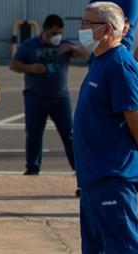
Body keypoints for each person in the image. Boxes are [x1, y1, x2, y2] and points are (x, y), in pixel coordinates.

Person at [55, 1, 138, 254]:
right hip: (94, 174)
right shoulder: (99, 60)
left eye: (88, 22)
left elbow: (136, 116)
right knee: (93, 246)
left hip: (114, 173)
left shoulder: (120, 64)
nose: (83, 28)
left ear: (107, 30)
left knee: (121, 247)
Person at [10, 15, 87, 174]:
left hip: (60, 97)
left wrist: (74, 49)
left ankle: (78, 168)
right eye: (53, 33)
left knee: (69, 134)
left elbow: (85, 54)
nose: (56, 36)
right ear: (44, 31)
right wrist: (32, 68)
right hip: (35, 96)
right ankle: (32, 167)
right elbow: (14, 64)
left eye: (59, 32)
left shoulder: (65, 45)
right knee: (34, 134)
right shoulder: (30, 45)